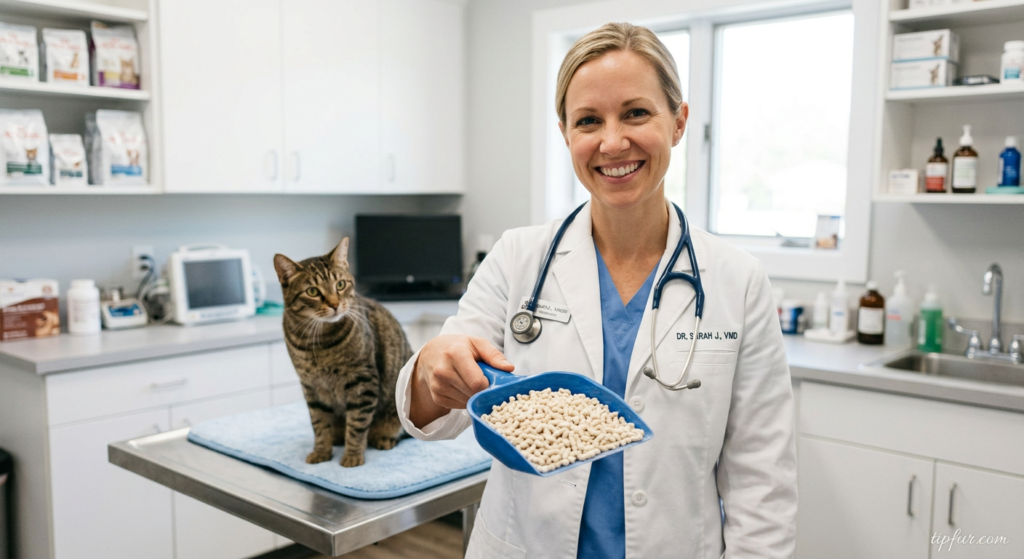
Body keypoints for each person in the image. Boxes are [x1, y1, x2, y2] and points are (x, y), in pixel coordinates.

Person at [396, 22, 797, 559]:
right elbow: (434, 415)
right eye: (588, 120)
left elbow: (762, 483)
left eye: (636, 112)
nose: (612, 142)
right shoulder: (518, 259)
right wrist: (430, 370)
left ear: (678, 122)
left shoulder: (737, 282)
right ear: (565, 133)